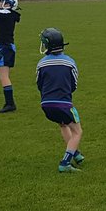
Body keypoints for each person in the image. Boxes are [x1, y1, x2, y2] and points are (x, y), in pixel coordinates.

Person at [36, 28, 84, 173]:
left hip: (46, 105)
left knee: (63, 125)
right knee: (77, 131)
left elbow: (39, 83)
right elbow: (74, 84)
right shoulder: (69, 62)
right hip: (63, 104)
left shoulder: (41, 63)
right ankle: (65, 163)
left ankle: (76, 154)